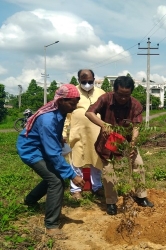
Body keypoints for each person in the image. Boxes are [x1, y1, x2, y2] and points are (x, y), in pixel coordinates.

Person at [16, 84, 85, 237]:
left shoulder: (60, 111)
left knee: (53, 176)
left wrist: (59, 138)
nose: (74, 107)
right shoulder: (48, 119)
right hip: (31, 151)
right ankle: (51, 225)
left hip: (42, 148)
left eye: (76, 103)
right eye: (72, 103)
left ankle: (30, 200)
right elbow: (53, 154)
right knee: (56, 181)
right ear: (61, 101)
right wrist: (72, 174)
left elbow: (53, 136)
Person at [85, 76, 154, 215]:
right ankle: (111, 202)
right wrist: (103, 124)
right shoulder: (105, 98)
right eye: (120, 95)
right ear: (114, 91)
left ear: (131, 93)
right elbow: (89, 112)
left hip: (127, 141)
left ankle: (141, 196)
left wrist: (133, 144)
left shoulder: (135, 105)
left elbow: (136, 126)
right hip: (108, 141)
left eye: (126, 95)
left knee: (138, 165)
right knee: (109, 171)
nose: (123, 98)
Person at [63, 69, 105, 200]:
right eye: (84, 81)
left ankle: (97, 187)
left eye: (90, 81)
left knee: (96, 160)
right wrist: (64, 132)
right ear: (78, 80)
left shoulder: (101, 93)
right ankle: (76, 189)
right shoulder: (72, 93)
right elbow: (66, 115)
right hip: (78, 132)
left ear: (94, 79)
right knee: (76, 160)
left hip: (96, 132)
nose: (87, 84)